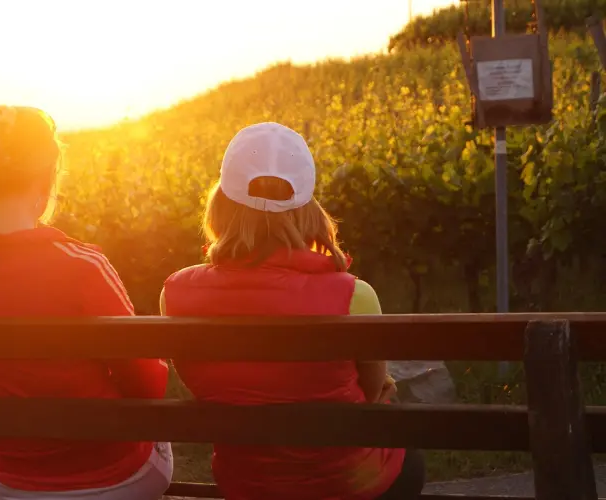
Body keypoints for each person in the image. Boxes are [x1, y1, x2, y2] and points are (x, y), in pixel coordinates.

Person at [0, 105, 172, 500]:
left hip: (10, 482)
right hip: (113, 479)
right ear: (49, 177)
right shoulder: (82, 265)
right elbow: (148, 383)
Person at [160, 122, 425, 500]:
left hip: (248, 483)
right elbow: (372, 390)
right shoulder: (355, 295)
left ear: (220, 202)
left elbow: (201, 386)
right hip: (351, 483)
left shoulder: (176, 293)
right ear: (307, 208)